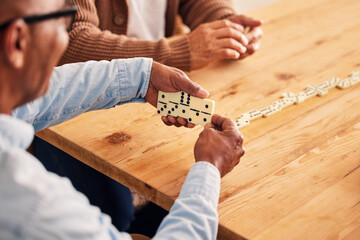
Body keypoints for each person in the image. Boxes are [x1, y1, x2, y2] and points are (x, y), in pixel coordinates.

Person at [0, 0, 245, 239]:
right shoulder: (35, 205)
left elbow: (42, 99)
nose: (65, 38)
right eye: (60, 21)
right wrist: (209, 169)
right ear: (17, 42)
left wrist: (142, 77)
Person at [60, 0, 264, 71]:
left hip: (158, 90)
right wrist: (180, 52)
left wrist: (225, 27)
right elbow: (70, 43)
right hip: (75, 114)